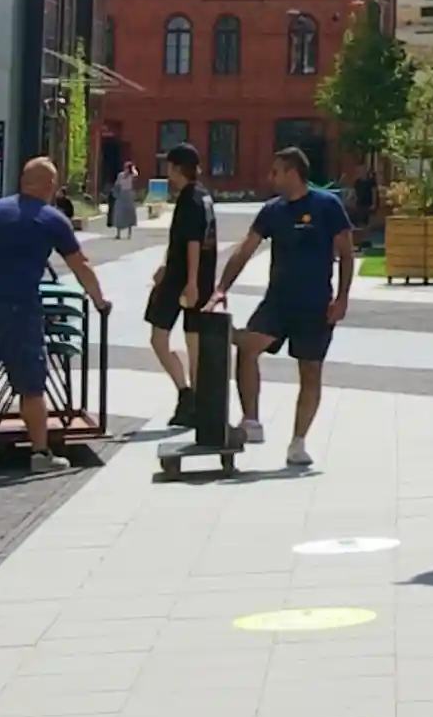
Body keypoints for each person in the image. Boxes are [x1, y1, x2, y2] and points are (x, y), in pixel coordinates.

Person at [0, 155, 104, 474]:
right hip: (19, 306)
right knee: (31, 384)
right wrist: (100, 300)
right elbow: (80, 265)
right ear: (50, 187)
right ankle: (40, 453)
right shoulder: (52, 219)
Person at [215, 140, 355, 475]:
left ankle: (298, 443)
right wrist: (221, 289)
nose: (271, 177)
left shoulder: (327, 205)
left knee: (310, 371)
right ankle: (251, 420)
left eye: (276, 171)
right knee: (247, 348)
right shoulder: (273, 210)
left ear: (293, 172)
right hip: (278, 300)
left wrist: (343, 298)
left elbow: (347, 253)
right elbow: (245, 250)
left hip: (316, 304)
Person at [142, 141, 216, 426]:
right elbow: (185, 239)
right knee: (193, 339)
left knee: (158, 337)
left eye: (169, 167)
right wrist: (166, 264)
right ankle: (195, 399)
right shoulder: (203, 196)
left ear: (177, 168)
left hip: (183, 281)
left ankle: (187, 394)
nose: (167, 173)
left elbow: (194, 242)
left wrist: (191, 282)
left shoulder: (190, 199)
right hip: (192, 277)